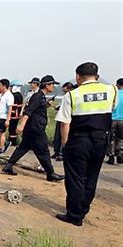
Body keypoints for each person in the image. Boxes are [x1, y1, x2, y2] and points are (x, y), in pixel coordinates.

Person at [55, 62, 118, 226]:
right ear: (97, 76)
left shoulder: (72, 95)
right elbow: (112, 108)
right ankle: (83, 209)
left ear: (77, 76)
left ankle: (74, 215)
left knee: (76, 178)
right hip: (101, 140)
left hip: (79, 140)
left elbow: (64, 123)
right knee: (91, 177)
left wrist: (65, 144)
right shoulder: (111, 90)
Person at [2, 75, 65, 182]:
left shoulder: (40, 97)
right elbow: (28, 111)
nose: (53, 87)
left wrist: (46, 105)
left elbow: (36, 108)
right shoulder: (38, 96)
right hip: (36, 129)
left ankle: (9, 165)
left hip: (31, 128)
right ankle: (50, 173)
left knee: (23, 148)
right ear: (47, 85)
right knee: (44, 151)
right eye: (52, 85)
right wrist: (21, 126)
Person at [51, 82, 75, 161]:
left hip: (67, 119)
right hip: (60, 118)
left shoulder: (71, 96)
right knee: (57, 136)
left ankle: (61, 153)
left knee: (64, 136)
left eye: (64, 90)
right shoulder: (65, 97)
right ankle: (57, 151)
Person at [0, 79, 14, 155]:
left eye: (0, 85)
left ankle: (1, 149)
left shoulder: (9, 95)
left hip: (3, 117)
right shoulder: (1, 94)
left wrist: (8, 120)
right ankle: (5, 142)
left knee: (2, 133)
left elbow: (10, 109)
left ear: (4, 86)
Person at [107, 78, 123, 165]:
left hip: (113, 118)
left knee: (111, 138)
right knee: (120, 138)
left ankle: (111, 156)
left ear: (117, 85)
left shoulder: (114, 94)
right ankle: (119, 153)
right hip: (122, 120)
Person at [8, 80, 24, 146]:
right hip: (16, 114)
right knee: (12, 128)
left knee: (12, 128)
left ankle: (12, 141)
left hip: (14, 114)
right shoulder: (20, 95)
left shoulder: (15, 95)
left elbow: (14, 106)